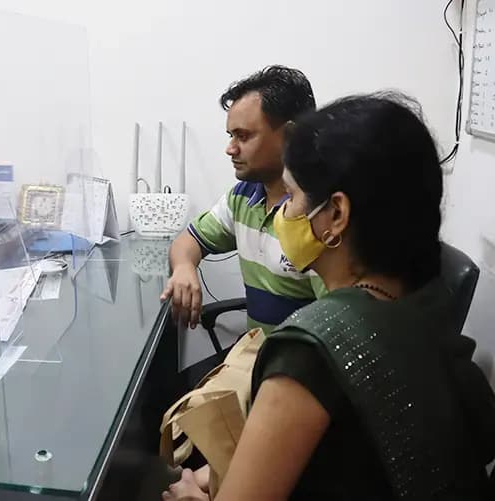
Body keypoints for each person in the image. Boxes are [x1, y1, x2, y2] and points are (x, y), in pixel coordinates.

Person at [163, 93, 495, 500]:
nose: (282, 213)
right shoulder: (434, 324)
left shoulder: (311, 350)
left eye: (292, 197)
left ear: (336, 214)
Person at [163, 65, 324, 335]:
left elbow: (341, 327)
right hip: (256, 357)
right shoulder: (242, 196)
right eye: (231, 136)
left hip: (298, 369)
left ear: (292, 136)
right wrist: (183, 267)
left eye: (244, 136)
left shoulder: (322, 217)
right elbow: (188, 241)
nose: (230, 148)